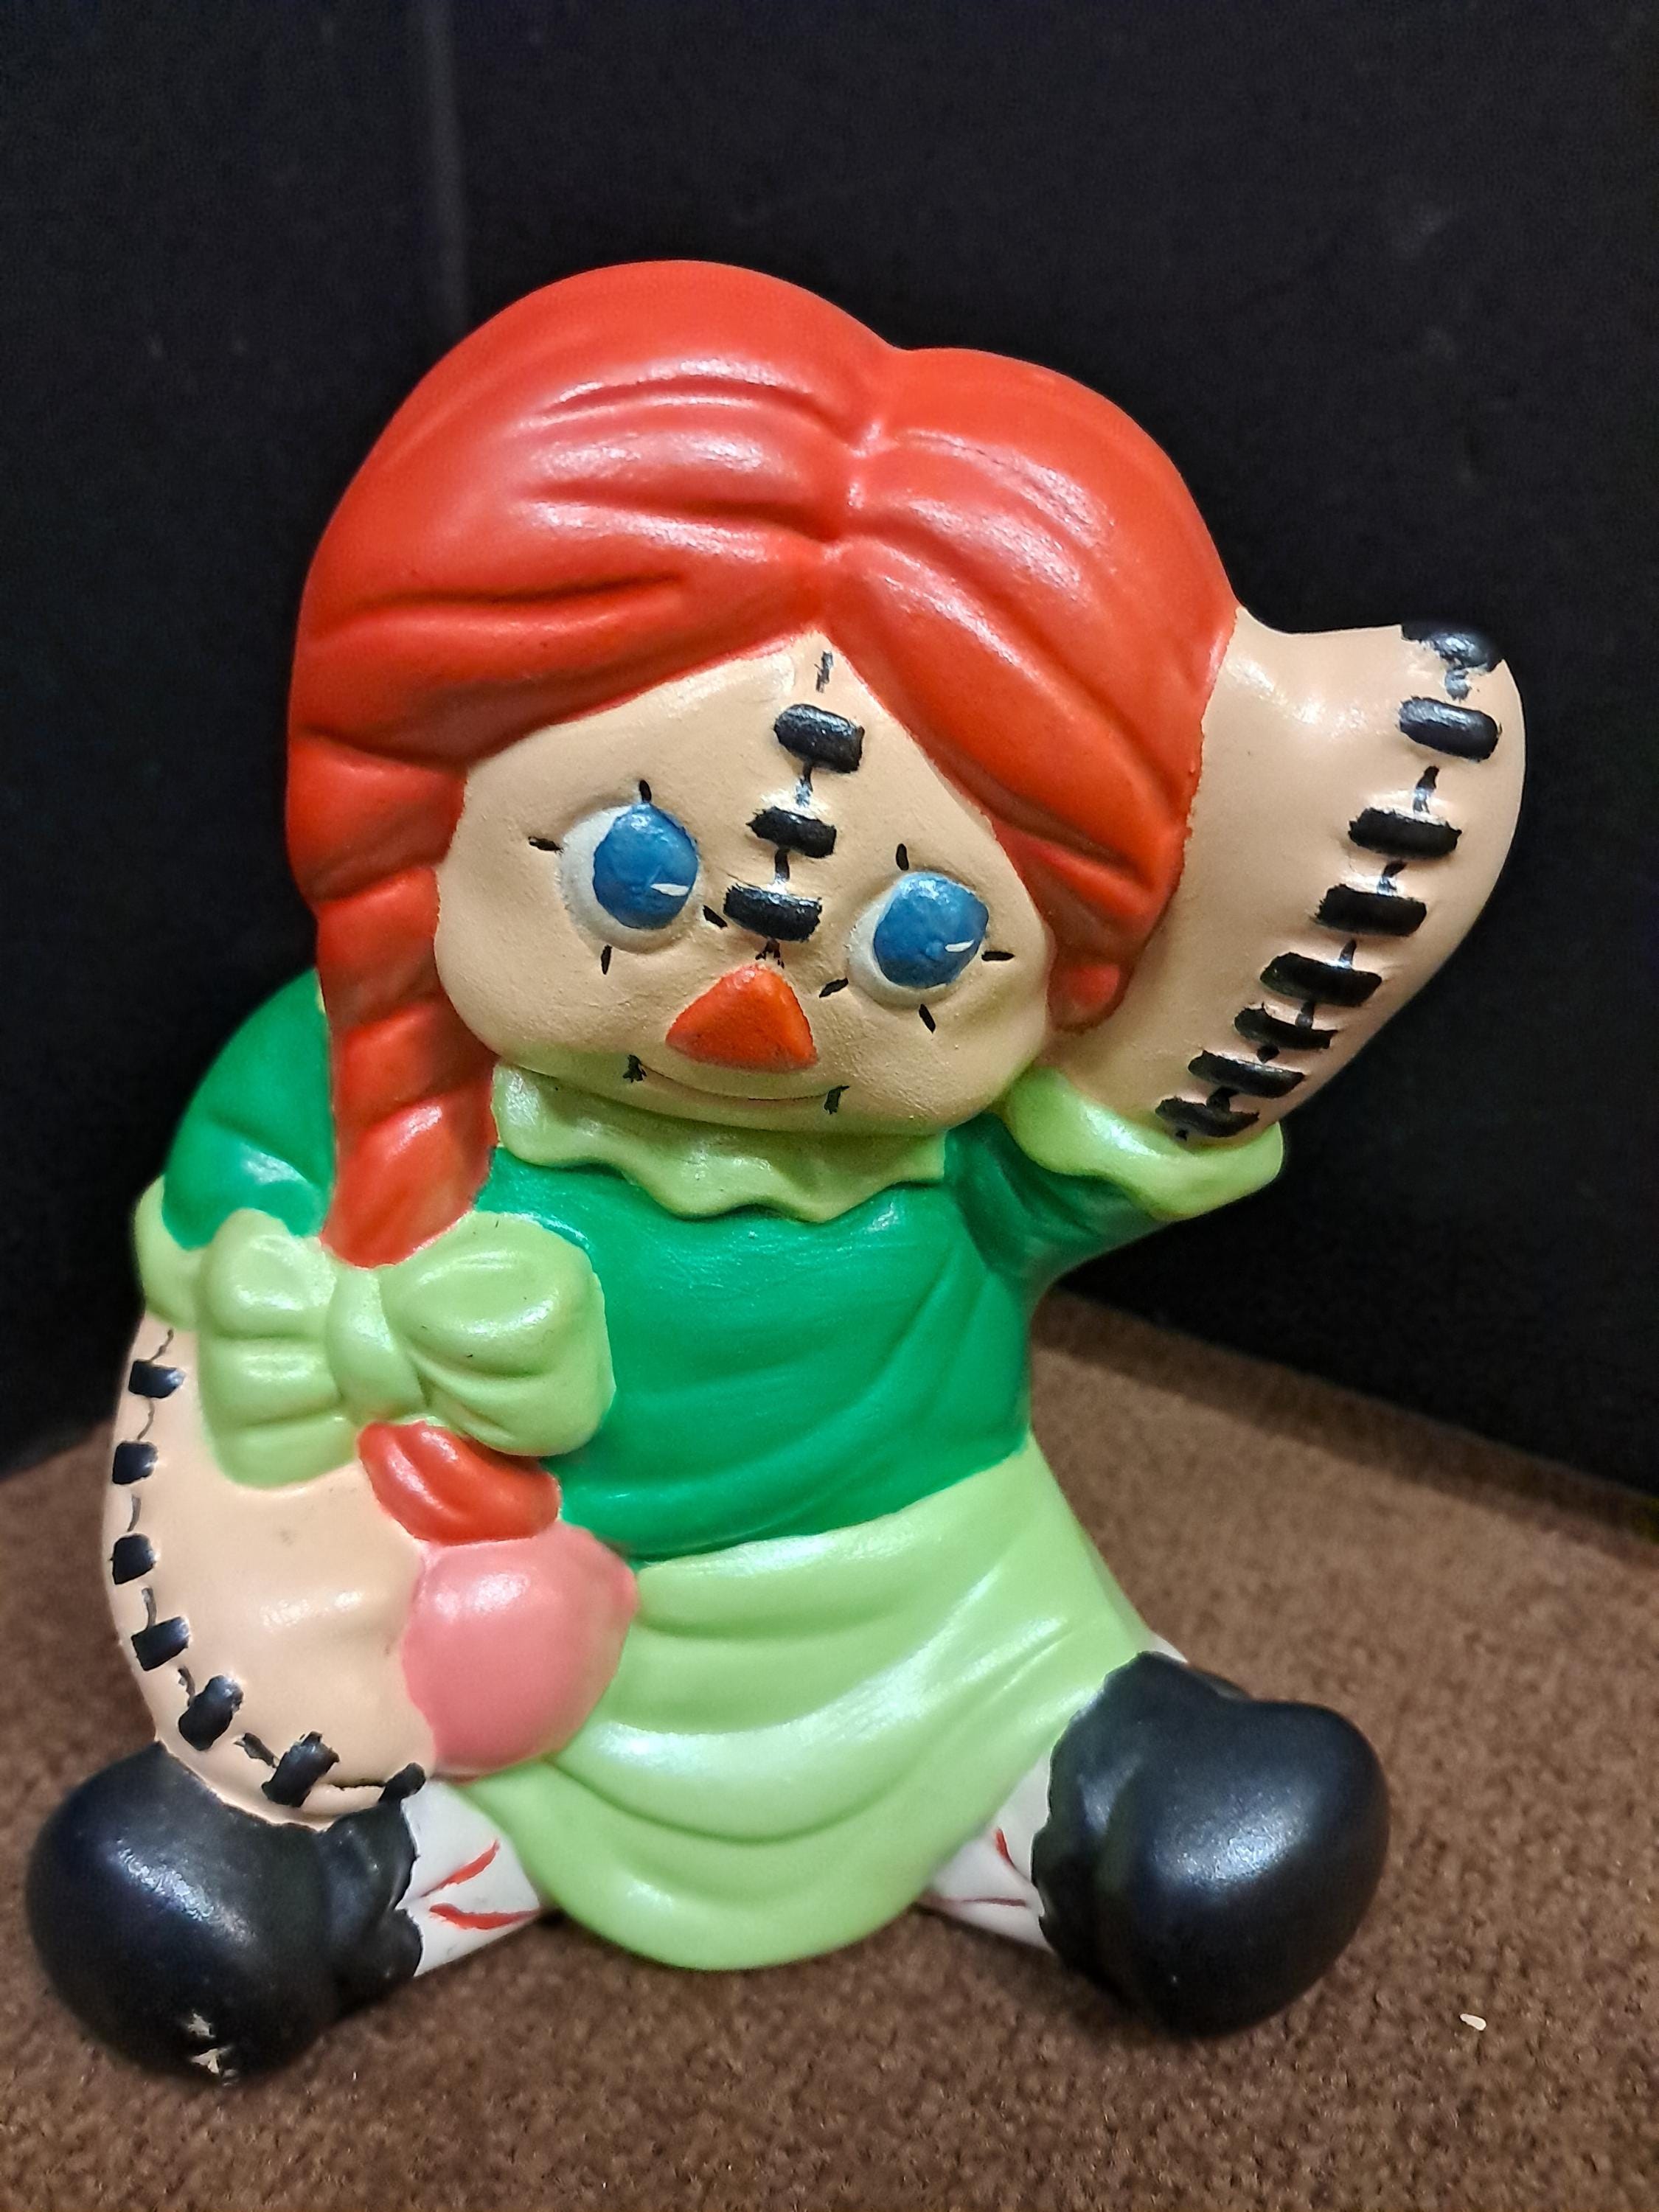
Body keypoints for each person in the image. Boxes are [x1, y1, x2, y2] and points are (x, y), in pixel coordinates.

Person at [29, 262, 1523, 2082]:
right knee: (343, 1807)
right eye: (636, 876)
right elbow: (228, 1291)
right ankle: (359, 1871)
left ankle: (1100, 1808)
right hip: (513, 1642)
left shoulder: (951, 1164)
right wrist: (313, 1386)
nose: (753, 996)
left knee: (1157, 1813)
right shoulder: (347, 1073)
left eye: (924, 935)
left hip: (937, 1613)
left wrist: (1291, 918)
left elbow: (1150, 1122)